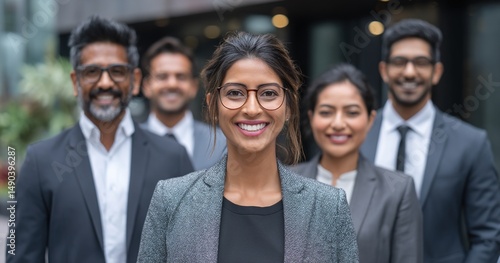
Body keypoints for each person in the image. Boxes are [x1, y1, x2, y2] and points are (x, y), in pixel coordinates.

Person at [137, 31, 359, 262]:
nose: (252, 109)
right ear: (213, 105)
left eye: (269, 93)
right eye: (235, 93)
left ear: (289, 107)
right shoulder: (171, 200)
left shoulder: (328, 207)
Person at [7, 15, 194, 263]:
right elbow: (21, 256)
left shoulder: (173, 157)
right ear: (76, 82)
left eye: (117, 71)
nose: (105, 83)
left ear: (135, 80)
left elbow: (193, 251)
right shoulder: (40, 162)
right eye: (92, 72)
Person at [360, 18, 500, 263]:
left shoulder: (471, 143)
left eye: (421, 62)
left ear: (436, 72)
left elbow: (489, 235)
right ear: (384, 70)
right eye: (400, 62)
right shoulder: (357, 134)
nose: (409, 72)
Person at [292, 63, 423, 263]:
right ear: (311, 117)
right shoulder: (284, 182)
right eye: (326, 112)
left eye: (351, 112)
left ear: (370, 119)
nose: (337, 123)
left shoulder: (397, 191)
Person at [141, 36, 226, 170]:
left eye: (181, 77)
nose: (172, 84)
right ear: (146, 86)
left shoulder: (221, 143)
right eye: (162, 76)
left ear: (194, 87)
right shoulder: (127, 144)